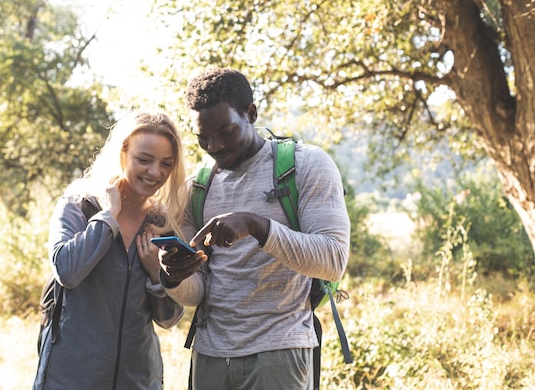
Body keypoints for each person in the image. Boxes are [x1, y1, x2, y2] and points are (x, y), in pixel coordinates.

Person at [159, 68, 350, 390]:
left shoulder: (307, 166)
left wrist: (257, 226)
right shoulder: (197, 188)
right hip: (209, 353)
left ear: (251, 113)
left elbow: (332, 261)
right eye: (202, 137)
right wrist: (174, 277)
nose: (214, 146)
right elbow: (197, 293)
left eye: (226, 131)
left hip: (280, 351)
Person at [33, 111, 188, 390]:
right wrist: (108, 218)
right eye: (144, 160)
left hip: (138, 381)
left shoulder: (163, 223)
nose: (156, 173)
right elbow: (66, 271)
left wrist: (156, 274)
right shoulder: (79, 204)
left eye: (166, 163)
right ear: (122, 153)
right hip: (70, 379)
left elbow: (170, 318)